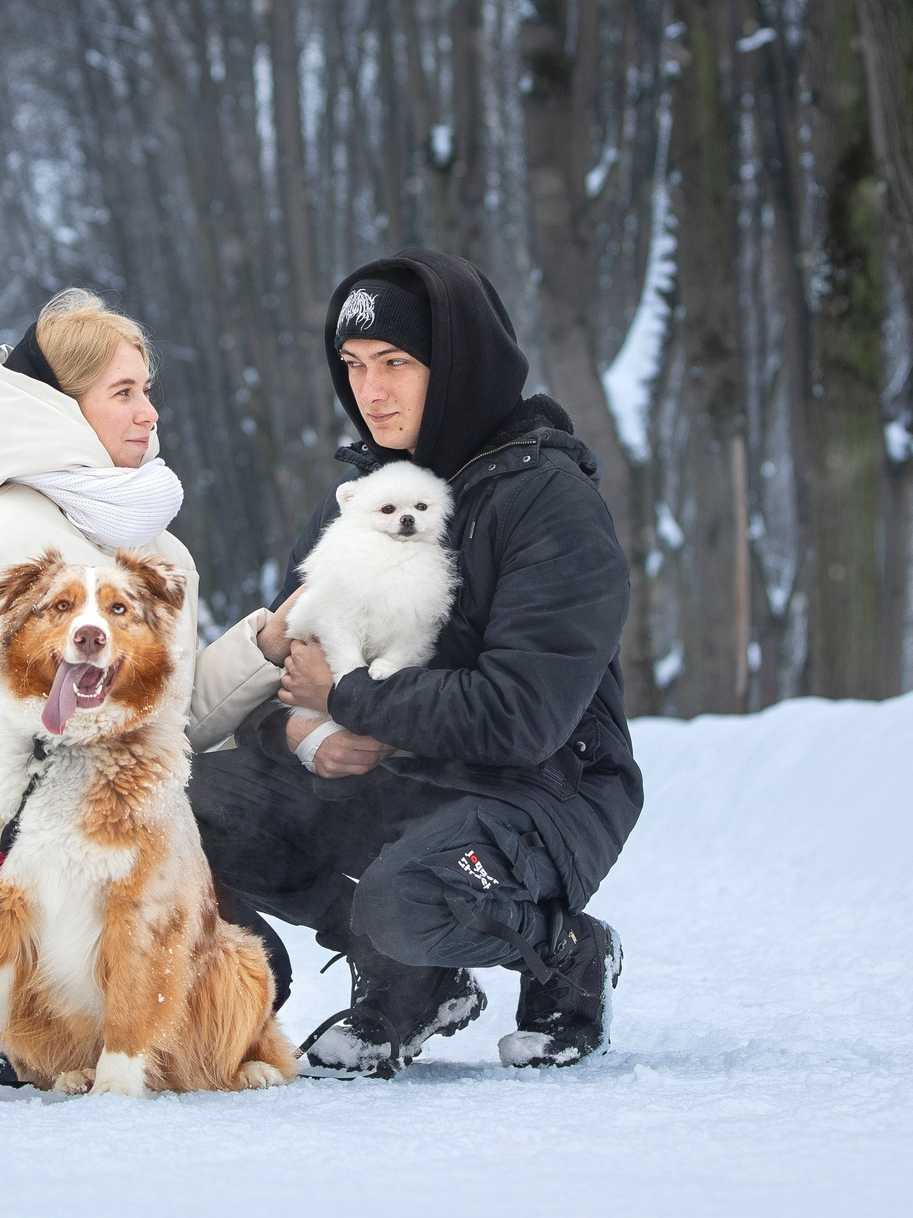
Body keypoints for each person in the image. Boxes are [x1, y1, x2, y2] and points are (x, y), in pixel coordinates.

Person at [190, 249, 641, 1077]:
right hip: (398, 787)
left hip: (542, 792)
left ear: (457, 363)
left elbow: (525, 713)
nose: (372, 391)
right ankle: (409, 981)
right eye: (355, 366)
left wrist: (358, 702)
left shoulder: (549, 500)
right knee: (174, 803)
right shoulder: (366, 497)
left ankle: (565, 954)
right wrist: (304, 735)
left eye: (396, 362)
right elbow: (285, 680)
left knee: (406, 893)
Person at [0, 289, 293, 1011]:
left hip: (104, 848)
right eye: (124, 393)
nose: (151, 412)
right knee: (114, 992)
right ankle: (23, 1028)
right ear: (58, 406)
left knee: (253, 980)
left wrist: (265, 647)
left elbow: (163, 718)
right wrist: (28, 836)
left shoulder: (156, 552)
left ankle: (39, 1026)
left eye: (148, 391)